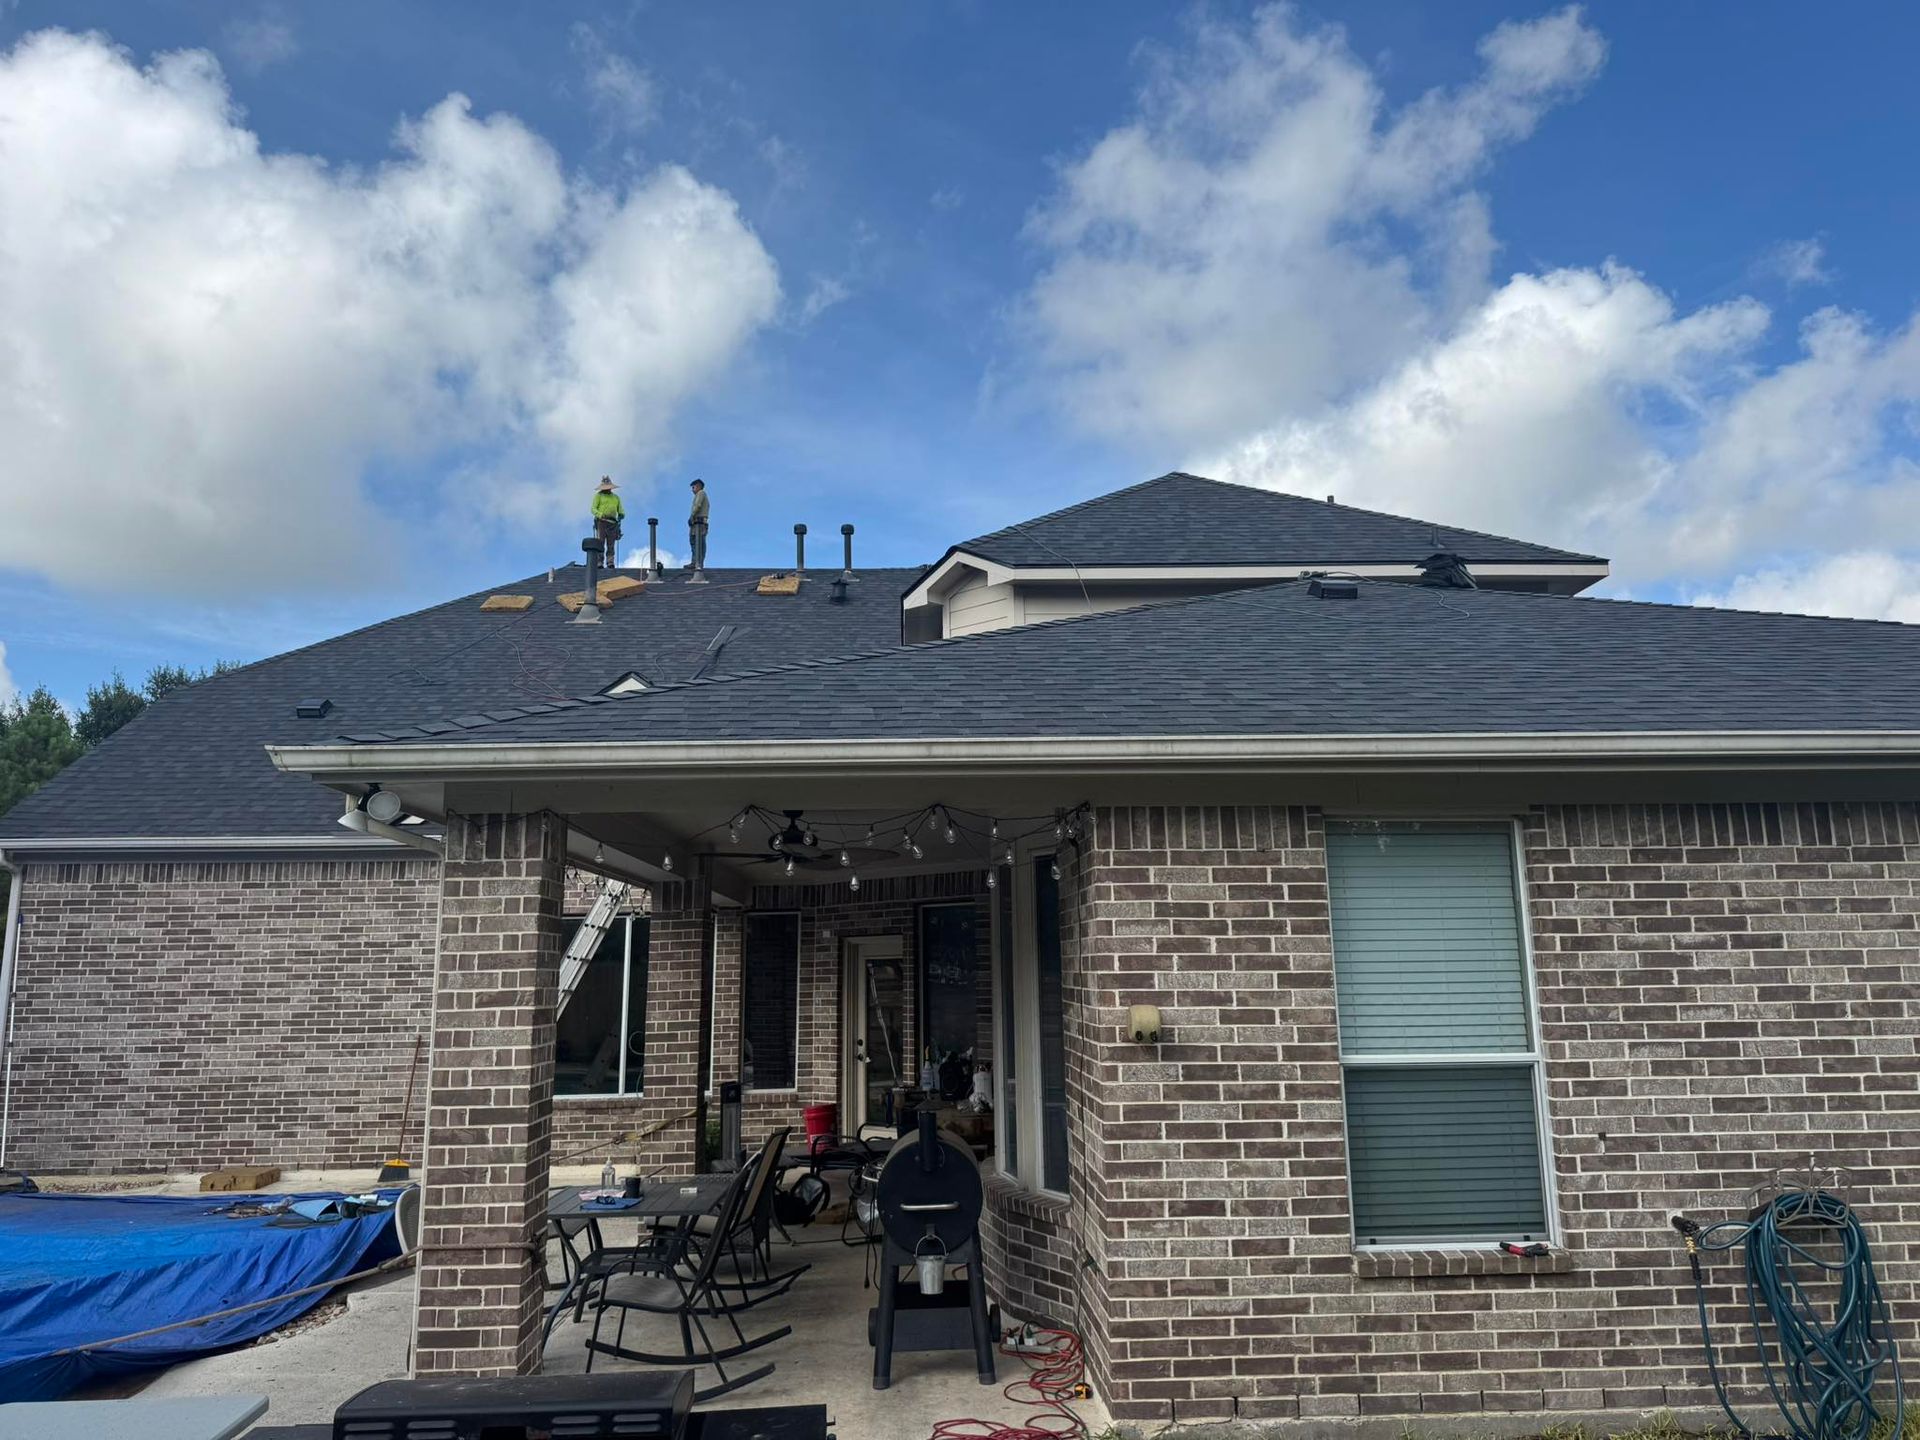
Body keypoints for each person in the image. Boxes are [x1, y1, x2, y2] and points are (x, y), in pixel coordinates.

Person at [591, 477, 624, 565]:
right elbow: (593, 509)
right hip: (601, 522)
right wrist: (600, 514)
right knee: (600, 542)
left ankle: (610, 562)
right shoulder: (598, 496)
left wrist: (621, 514)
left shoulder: (616, 497)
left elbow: (620, 509)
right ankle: (599, 561)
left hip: (612, 523)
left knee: (611, 544)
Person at [688, 477, 710, 573]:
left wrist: (691, 517)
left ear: (698, 486)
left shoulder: (701, 493)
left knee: (698, 543)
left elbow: (697, 506)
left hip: (699, 523)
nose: (692, 490)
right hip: (698, 523)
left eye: (693, 487)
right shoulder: (701, 494)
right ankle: (696, 562)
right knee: (695, 541)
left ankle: (697, 563)